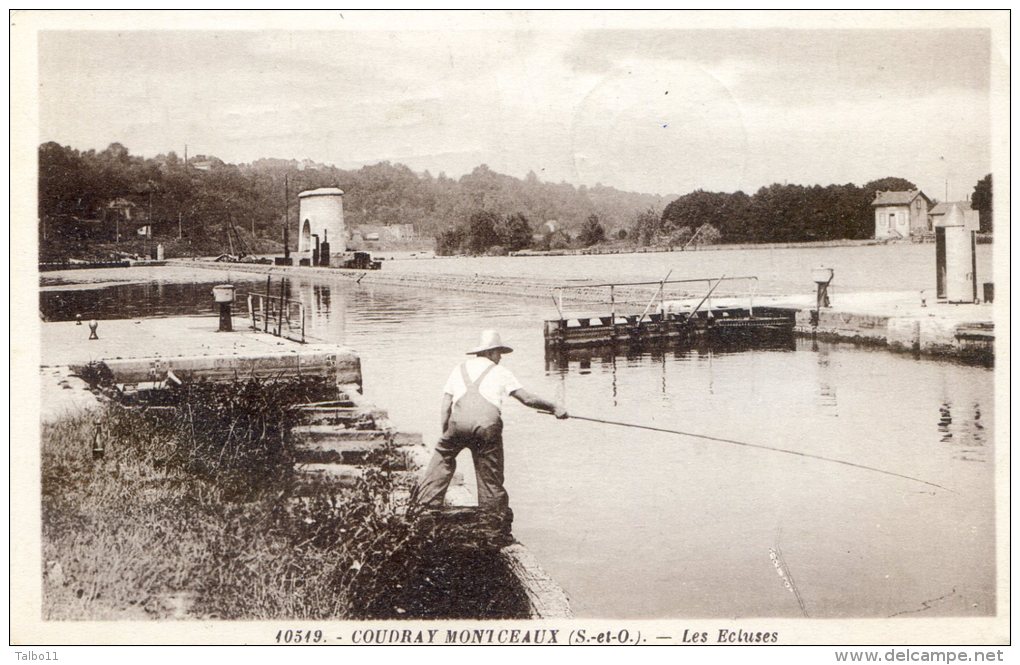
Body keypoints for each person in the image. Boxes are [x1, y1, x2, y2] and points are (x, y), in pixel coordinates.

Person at [412, 330, 568, 536]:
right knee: (489, 476)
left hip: (457, 424)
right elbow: (527, 399)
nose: (501, 357)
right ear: (491, 352)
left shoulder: (459, 368)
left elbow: (445, 405)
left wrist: (446, 436)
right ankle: (492, 526)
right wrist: (555, 407)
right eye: (499, 353)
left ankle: (425, 513)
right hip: (487, 428)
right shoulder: (500, 372)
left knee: (442, 461)